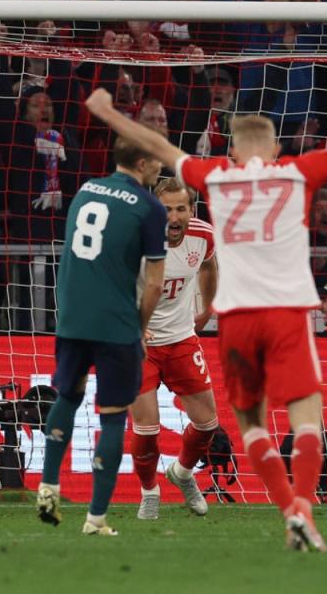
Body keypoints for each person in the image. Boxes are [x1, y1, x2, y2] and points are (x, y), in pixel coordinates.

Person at [84, 68, 327, 552]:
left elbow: (158, 145)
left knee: (251, 425)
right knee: (307, 419)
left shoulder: (215, 176)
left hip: (236, 319)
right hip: (287, 313)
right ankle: (301, 510)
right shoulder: (297, 171)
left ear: (230, 152)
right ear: (275, 151)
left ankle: (285, 508)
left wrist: (106, 111)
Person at [36, 136, 167, 536]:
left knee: (68, 396)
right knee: (112, 419)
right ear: (143, 162)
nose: (162, 165)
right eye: (158, 159)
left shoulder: (86, 190)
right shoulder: (149, 207)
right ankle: (95, 518)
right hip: (115, 324)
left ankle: (48, 487)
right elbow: (155, 285)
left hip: (73, 317)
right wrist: (140, 329)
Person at [130, 178, 220, 521]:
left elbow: (210, 266)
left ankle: (181, 474)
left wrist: (207, 307)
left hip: (182, 339)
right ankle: (149, 492)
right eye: (166, 209)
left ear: (191, 211)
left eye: (181, 208)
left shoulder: (203, 235)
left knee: (208, 423)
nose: (174, 216)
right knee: (147, 429)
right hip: (142, 343)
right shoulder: (134, 239)